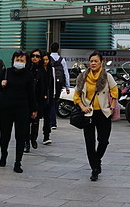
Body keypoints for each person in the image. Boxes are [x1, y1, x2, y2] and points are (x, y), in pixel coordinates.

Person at [74, 51, 118, 181]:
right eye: (91, 61)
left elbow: (114, 91)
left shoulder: (107, 76)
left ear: (101, 62)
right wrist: (82, 107)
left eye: (96, 61)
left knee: (104, 140)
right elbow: (77, 95)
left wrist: (112, 106)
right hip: (88, 113)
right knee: (89, 142)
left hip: (104, 112)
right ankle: (94, 168)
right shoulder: (82, 77)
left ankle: (97, 160)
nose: (93, 63)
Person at [0, 51, 37, 173]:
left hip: (22, 109)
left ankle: (18, 162)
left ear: (26, 62)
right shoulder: (6, 72)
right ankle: (3, 154)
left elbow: (32, 93)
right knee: (5, 135)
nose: (19, 62)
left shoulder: (28, 75)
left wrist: (34, 109)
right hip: (6, 108)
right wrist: (1, 84)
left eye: (22, 60)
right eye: (17, 60)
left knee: (20, 136)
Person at [26, 49, 51, 150]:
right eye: (33, 56)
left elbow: (46, 85)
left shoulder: (43, 70)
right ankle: (26, 142)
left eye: (37, 56)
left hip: (38, 99)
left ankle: (33, 139)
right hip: (27, 99)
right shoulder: (27, 69)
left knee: (35, 121)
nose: (35, 58)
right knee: (26, 122)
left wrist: (45, 97)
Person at [49, 42, 70, 130]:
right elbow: (66, 73)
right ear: (58, 50)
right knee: (54, 102)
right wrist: (67, 87)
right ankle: (53, 123)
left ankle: (51, 122)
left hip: (49, 83)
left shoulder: (47, 59)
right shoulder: (62, 60)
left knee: (50, 103)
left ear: (50, 49)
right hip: (58, 84)